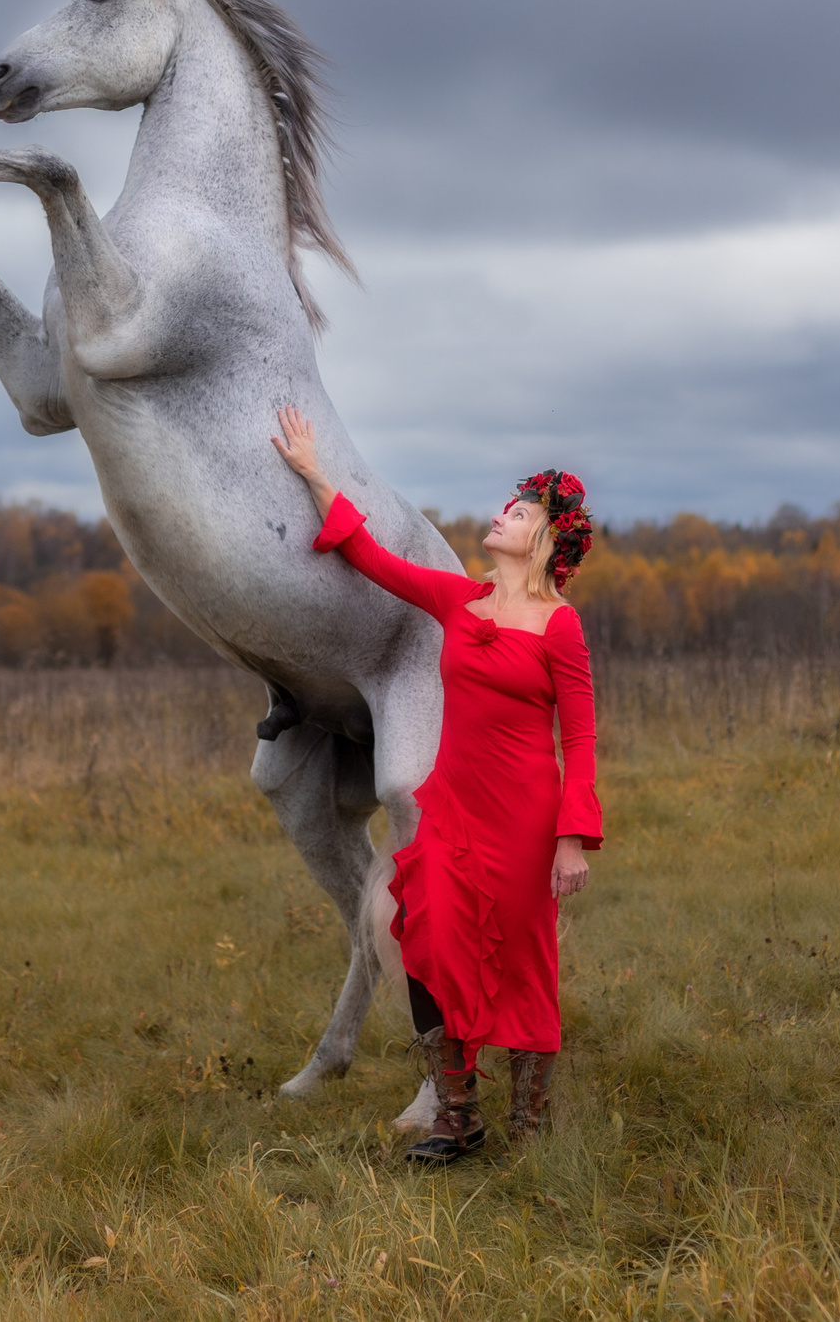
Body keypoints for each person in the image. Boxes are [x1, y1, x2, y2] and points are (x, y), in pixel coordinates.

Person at [270, 406, 602, 1164]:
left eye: (516, 513)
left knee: (523, 956)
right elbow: (372, 556)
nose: (500, 516)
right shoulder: (460, 600)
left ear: (545, 538)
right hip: (453, 806)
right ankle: (456, 1113)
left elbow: (579, 738)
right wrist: (316, 472)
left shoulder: (561, 627)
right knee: (427, 934)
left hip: (524, 815)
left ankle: (531, 1119)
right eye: (505, 507)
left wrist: (571, 836)